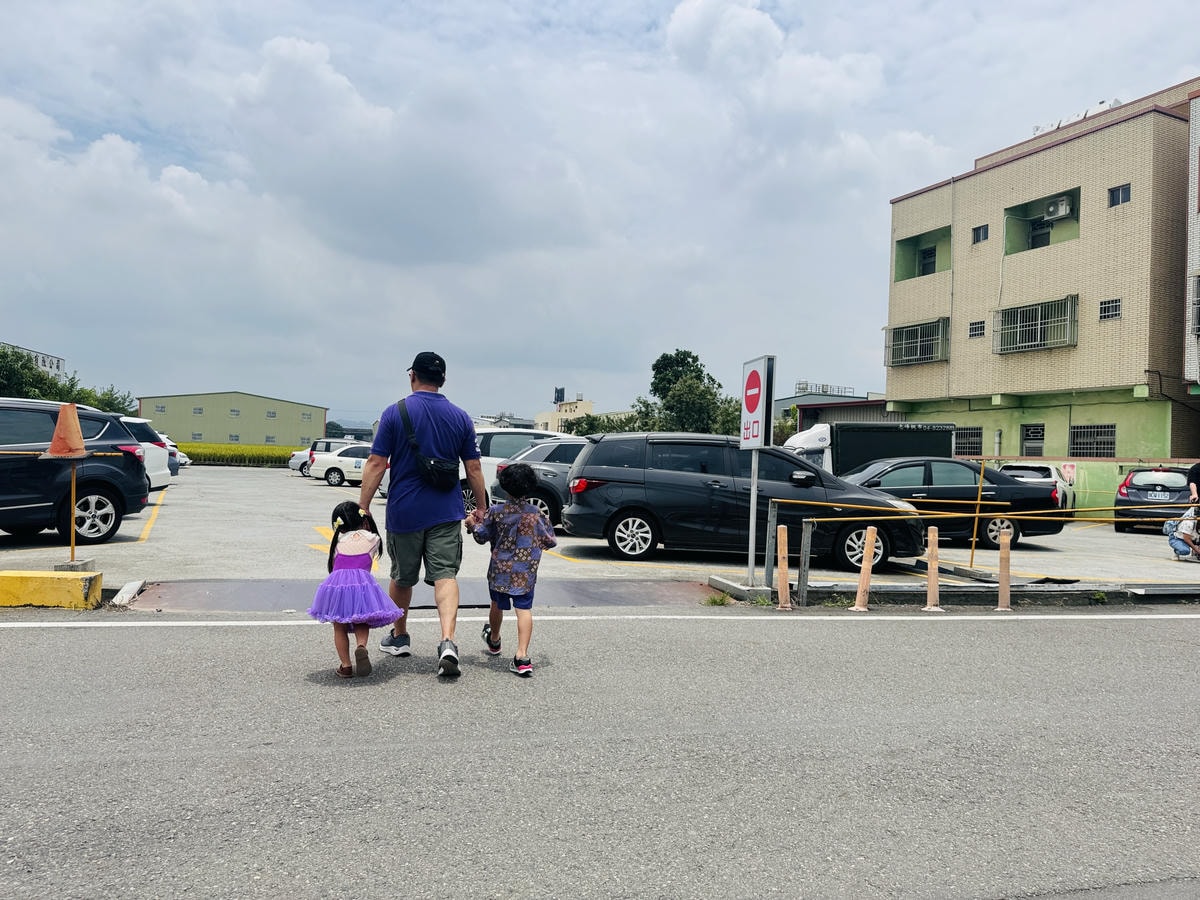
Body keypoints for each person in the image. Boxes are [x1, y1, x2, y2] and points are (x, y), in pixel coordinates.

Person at [356, 351, 487, 678]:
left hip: (405, 510)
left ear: (412, 375)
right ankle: (447, 642)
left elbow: (376, 463)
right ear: (442, 380)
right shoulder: (460, 417)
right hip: (446, 511)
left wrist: (363, 506)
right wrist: (482, 506)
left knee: (402, 576)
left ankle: (399, 636)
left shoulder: (395, 413)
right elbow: (472, 467)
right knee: (445, 575)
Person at [467, 462, 557, 678]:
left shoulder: (496, 512)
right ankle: (522, 657)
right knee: (523, 609)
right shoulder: (536, 513)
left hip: (500, 571)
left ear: (504, 486)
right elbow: (550, 540)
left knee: (497, 604)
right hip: (525, 572)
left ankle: (495, 640)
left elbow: (481, 536)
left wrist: (472, 524)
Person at [307, 501, 403, 678]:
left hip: (338, 587)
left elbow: (336, 564)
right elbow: (373, 543)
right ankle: (361, 646)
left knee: (339, 626)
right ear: (362, 519)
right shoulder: (373, 539)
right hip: (362, 585)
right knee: (361, 620)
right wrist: (368, 522)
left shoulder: (337, 541)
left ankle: (346, 666)